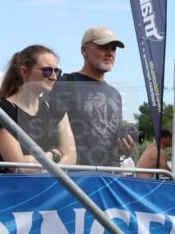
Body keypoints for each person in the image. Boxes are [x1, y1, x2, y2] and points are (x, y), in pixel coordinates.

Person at [50, 26, 133, 167]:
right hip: (74, 178)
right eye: (103, 47)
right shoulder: (64, 84)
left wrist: (122, 150)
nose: (109, 53)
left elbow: (109, 141)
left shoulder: (115, 94)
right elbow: (47, 135)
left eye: (113, 48)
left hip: (109, 179)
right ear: (84, 51)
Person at [0, 45, 76, 172]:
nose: (54, 77)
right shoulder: (4, 110)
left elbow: (71, 157)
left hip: (48, 188)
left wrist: (43, 170)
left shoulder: (57, 108)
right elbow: (19, 167)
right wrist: (53, 155)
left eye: (56, 71)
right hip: (10, 189)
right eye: (47, 71)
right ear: (24, 72)